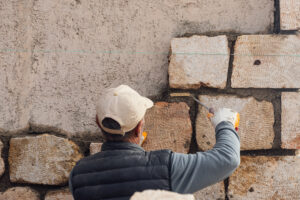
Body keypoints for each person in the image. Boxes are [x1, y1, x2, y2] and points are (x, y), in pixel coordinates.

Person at [68, 84, 240, 200]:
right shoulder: (167, 168)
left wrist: (133, 150)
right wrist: (225, 123)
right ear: (139, 127)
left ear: (98, 123)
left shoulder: (78, 175)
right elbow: (228, 159)